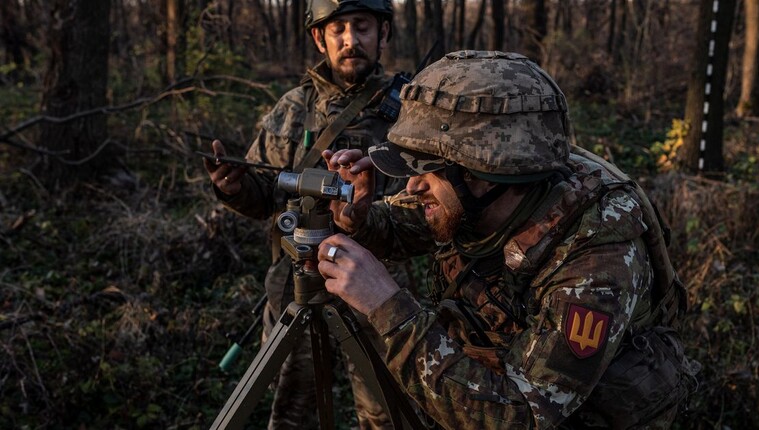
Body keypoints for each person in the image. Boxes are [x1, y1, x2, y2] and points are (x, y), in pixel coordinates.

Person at [315, 50, 701, 429]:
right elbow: (412, 221)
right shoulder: (477, 198)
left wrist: (389, 308)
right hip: (489, 374)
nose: (413, 186)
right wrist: (362, 218)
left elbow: (523, 415)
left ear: (486, 175)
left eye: (428, 170)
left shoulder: (598, 256)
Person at [202, 1, 416, 428]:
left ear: (384, 33)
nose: (351, 40)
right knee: (291, 407)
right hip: (296, 282)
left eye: (362, 27)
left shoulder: (411, 110)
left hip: (378, 285)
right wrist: (234, 186)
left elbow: (427, 204)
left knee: (385, 410)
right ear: (319, 38)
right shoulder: (293, 107)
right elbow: (264, 197)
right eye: (337, 29)